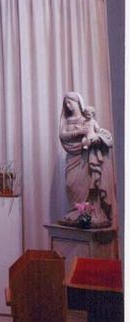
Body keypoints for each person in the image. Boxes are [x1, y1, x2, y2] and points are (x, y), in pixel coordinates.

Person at [58, 92, 115, 227]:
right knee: (70, 183)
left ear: (78, 102)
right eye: (66, 103)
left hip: (86, 156)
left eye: (70, 102)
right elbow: (63, 135)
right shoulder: (66, 120)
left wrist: (95, 137)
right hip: (73, 157)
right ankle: (76, 211)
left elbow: (97, 131)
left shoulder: (87, 119)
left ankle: (89, 212)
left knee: (89, 183)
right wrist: (80, 132)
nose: (68, 105)